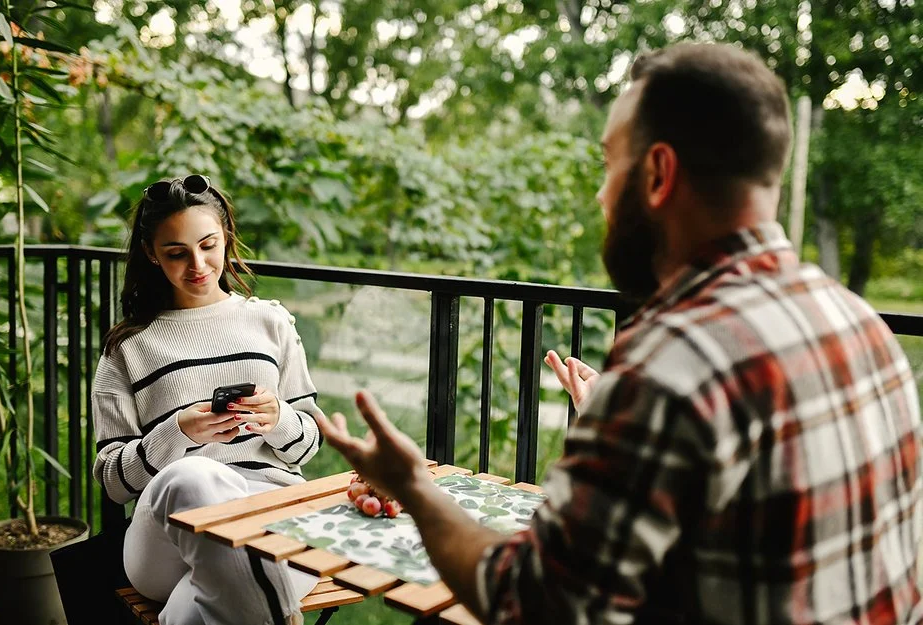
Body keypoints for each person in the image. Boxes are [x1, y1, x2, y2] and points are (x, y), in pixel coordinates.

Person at [315, 42, 923, 624]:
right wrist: (619, 414)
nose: (602, 196)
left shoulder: (677, 360)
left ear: (658, 173)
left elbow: (533, 604)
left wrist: (416, 488)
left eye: (610, 164)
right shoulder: (857, 321)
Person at [92, 174, 323, 625]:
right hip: (164, 538)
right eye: (176, 253)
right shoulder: (128, 347)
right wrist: (177, 433)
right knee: (195, 477)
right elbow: (113, 482)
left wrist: (278, 418)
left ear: (226, 239)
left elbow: (308, 446)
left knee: (191, 610)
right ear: (151, 255)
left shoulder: (270, 322)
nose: (197, 264)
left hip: (273, 515)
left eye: (208, 245)